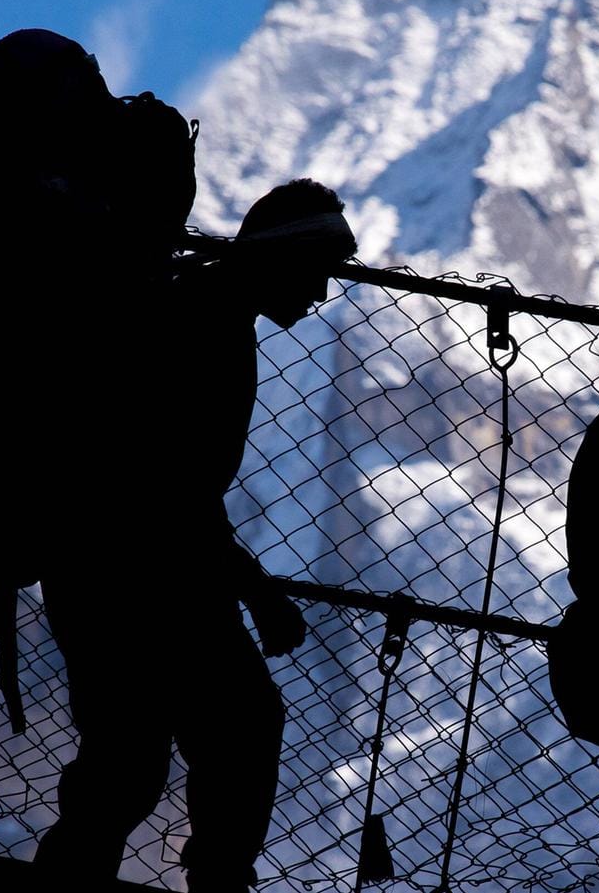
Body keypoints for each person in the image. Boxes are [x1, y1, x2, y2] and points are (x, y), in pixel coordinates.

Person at [34, 179, 358, 891]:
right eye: (315, 272)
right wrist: (255, 588)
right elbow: (170, 485)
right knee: (231, 727)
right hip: (139, 568)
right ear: (283, 255)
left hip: (102, 559)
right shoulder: (204, 324)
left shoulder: (197, 305)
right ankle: (215, 878)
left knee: (129, 753)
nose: (318, 294)